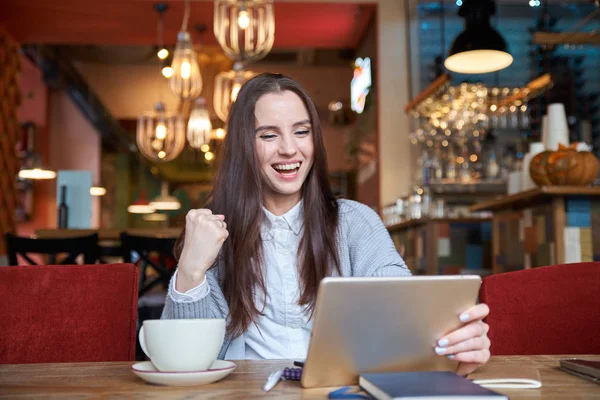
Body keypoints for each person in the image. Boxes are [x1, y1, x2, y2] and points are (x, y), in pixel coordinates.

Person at [161, 73, 490, 376]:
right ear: (244, 146)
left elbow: (400, 309)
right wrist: (190, 271)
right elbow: (183, 361)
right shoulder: (214, 232)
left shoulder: (355, 223)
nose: (289, 149)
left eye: (301, 131)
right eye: (269, 135)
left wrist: (453, 348)